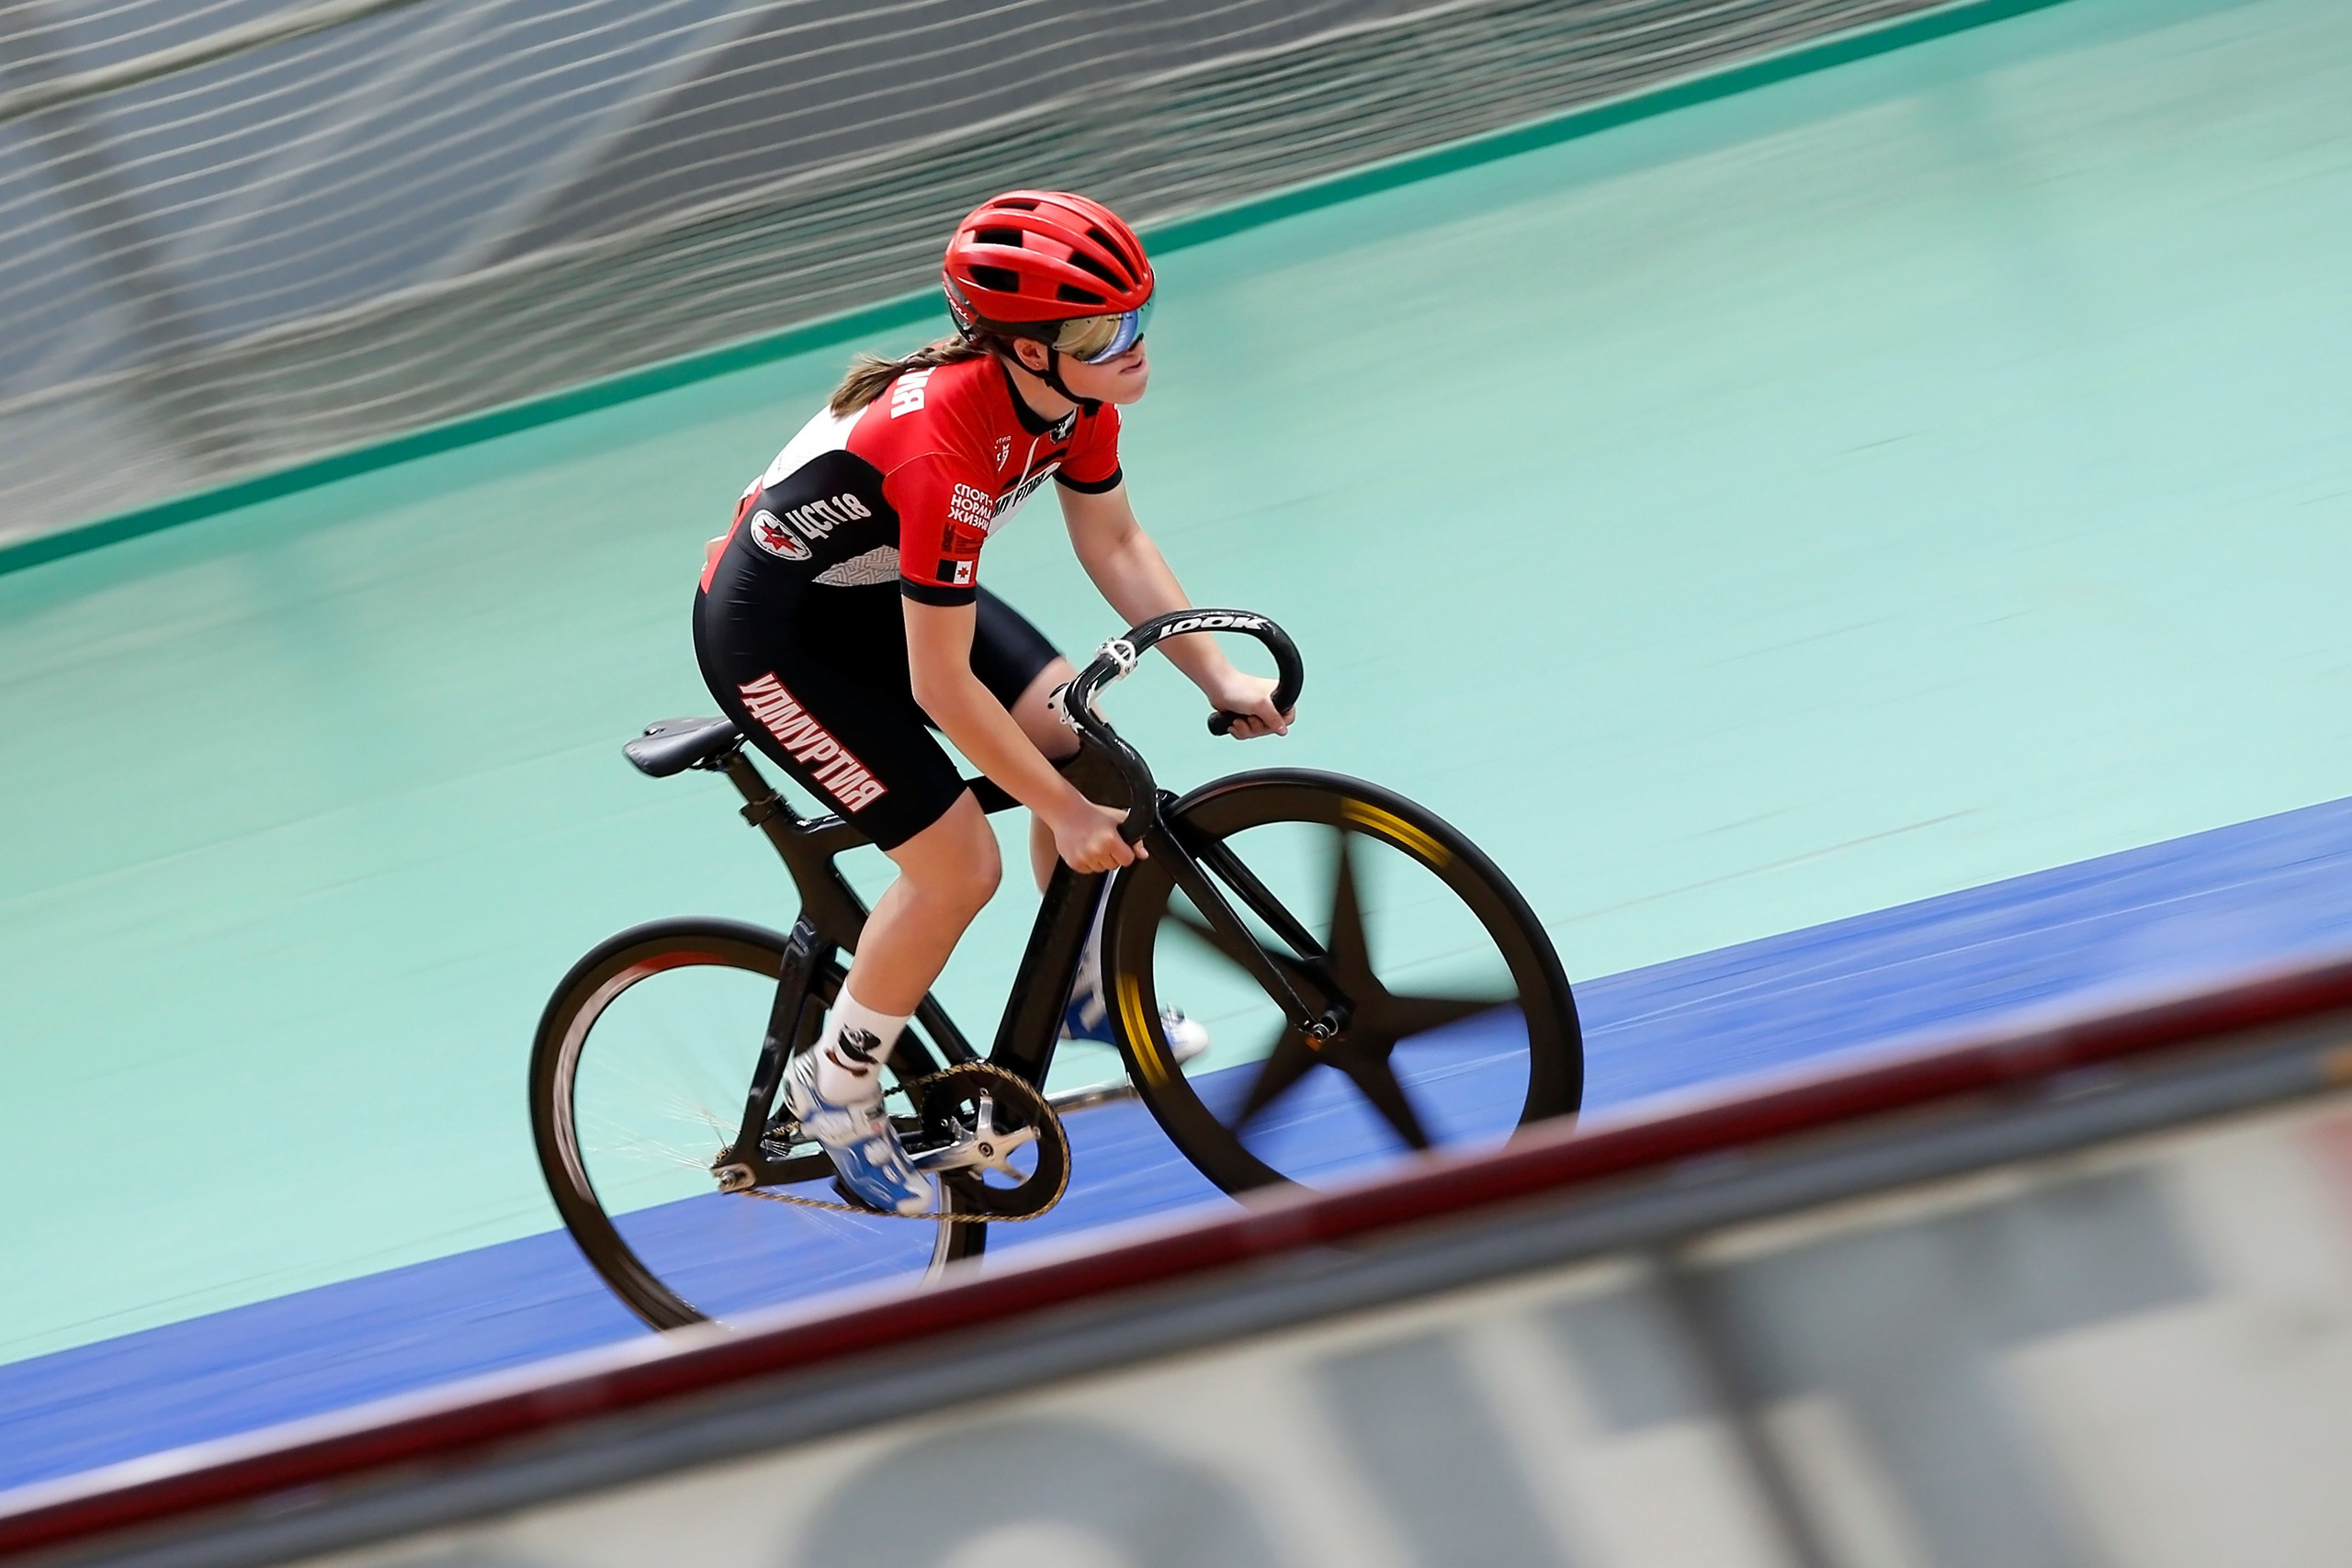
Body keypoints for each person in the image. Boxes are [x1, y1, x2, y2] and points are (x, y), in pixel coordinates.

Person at [694, 190, 1293, 1215]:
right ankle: (834, 1085)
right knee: (954, 863)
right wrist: (1058, 816)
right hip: (772, 635)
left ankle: (1082, 987)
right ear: (1022, 350)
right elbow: (941, 683)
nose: (1135, 344)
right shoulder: (942, 453)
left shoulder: (1078, 394)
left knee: (1077, 735)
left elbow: (1114, 541)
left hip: (869, 583)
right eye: (1105, 330)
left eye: (1140, 313)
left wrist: (1216, 675)